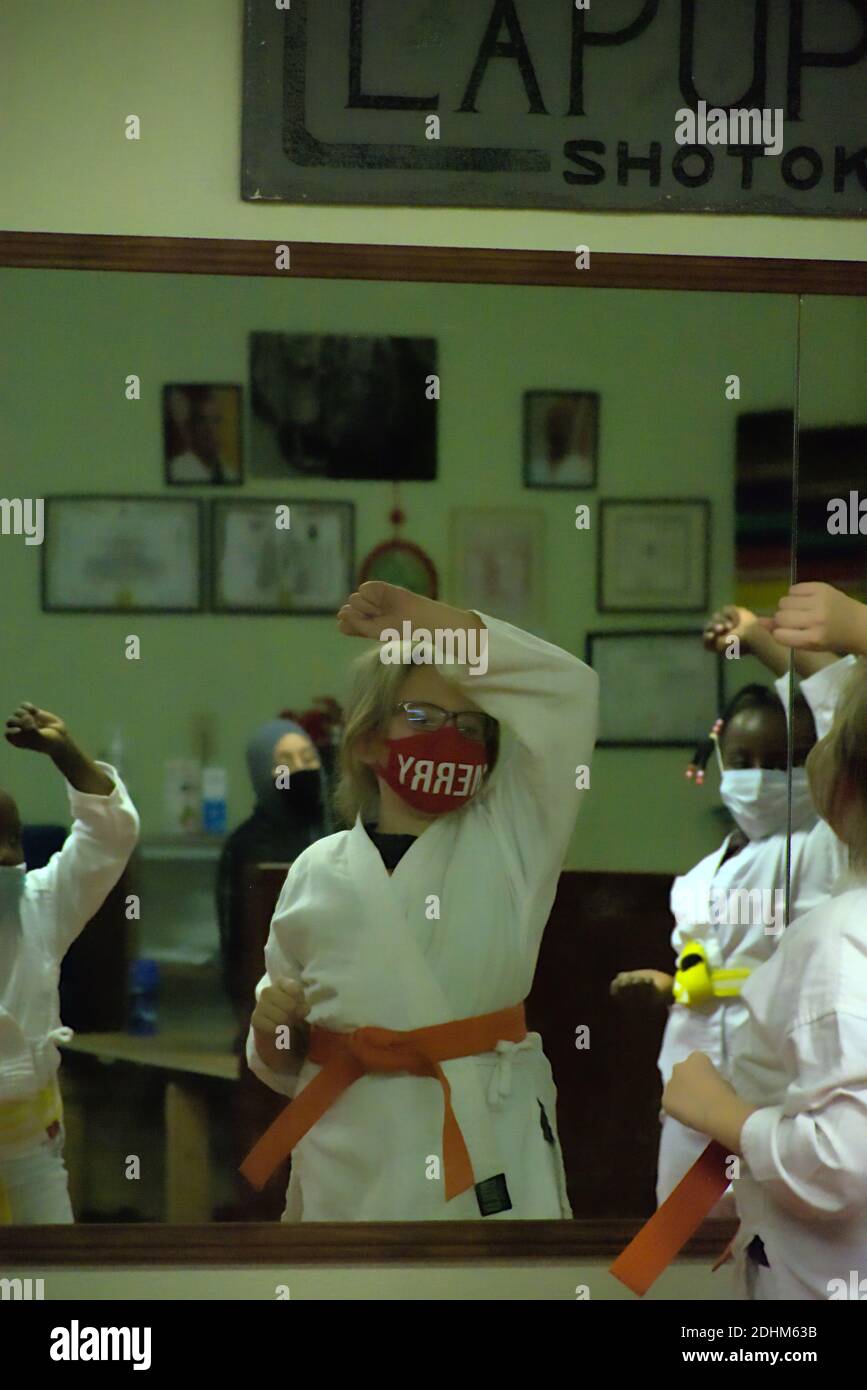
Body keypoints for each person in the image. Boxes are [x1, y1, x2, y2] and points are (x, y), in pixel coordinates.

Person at [243, 580, 598, 1221]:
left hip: (487, 1145)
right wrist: (275, 1030)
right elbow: (281, 1060)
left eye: (470, 726)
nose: (449, 737)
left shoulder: (513, 839)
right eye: (421, 718)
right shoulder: (315, 872)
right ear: (367, 742)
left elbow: (569, 695)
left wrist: (432, 624)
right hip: (350, 1165)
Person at [663, 581, 867, 1300]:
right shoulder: (706, 879)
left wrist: (722, 1114)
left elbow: (843, 1162)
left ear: (834, 783)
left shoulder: (838, 937)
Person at [612, 604, 852, 1212]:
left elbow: (841, 714)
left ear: (819, 765)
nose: (760, 777)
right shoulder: (697, 879)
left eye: (783, 761)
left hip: (778, 1103)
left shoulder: (822, 847)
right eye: (744, 762)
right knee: (685, 1254)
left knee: (770, 1250)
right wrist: (673, 986)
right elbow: (710, 976)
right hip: (690, 1098)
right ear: (719, 759)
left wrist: (762, 641)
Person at [0, 703, 139, 1223]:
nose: (3, 858)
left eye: (10, 844)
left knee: (48, 1277)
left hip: (30, 1147)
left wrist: (66, 755)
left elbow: (109, 838)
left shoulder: (39, 904)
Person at [217, 718, 330, 1042]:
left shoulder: (342, 835)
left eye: (308, 759)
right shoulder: (247, 845)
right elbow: (235, 943)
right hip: (271, 1016)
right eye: (286, 763)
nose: (300, 771)